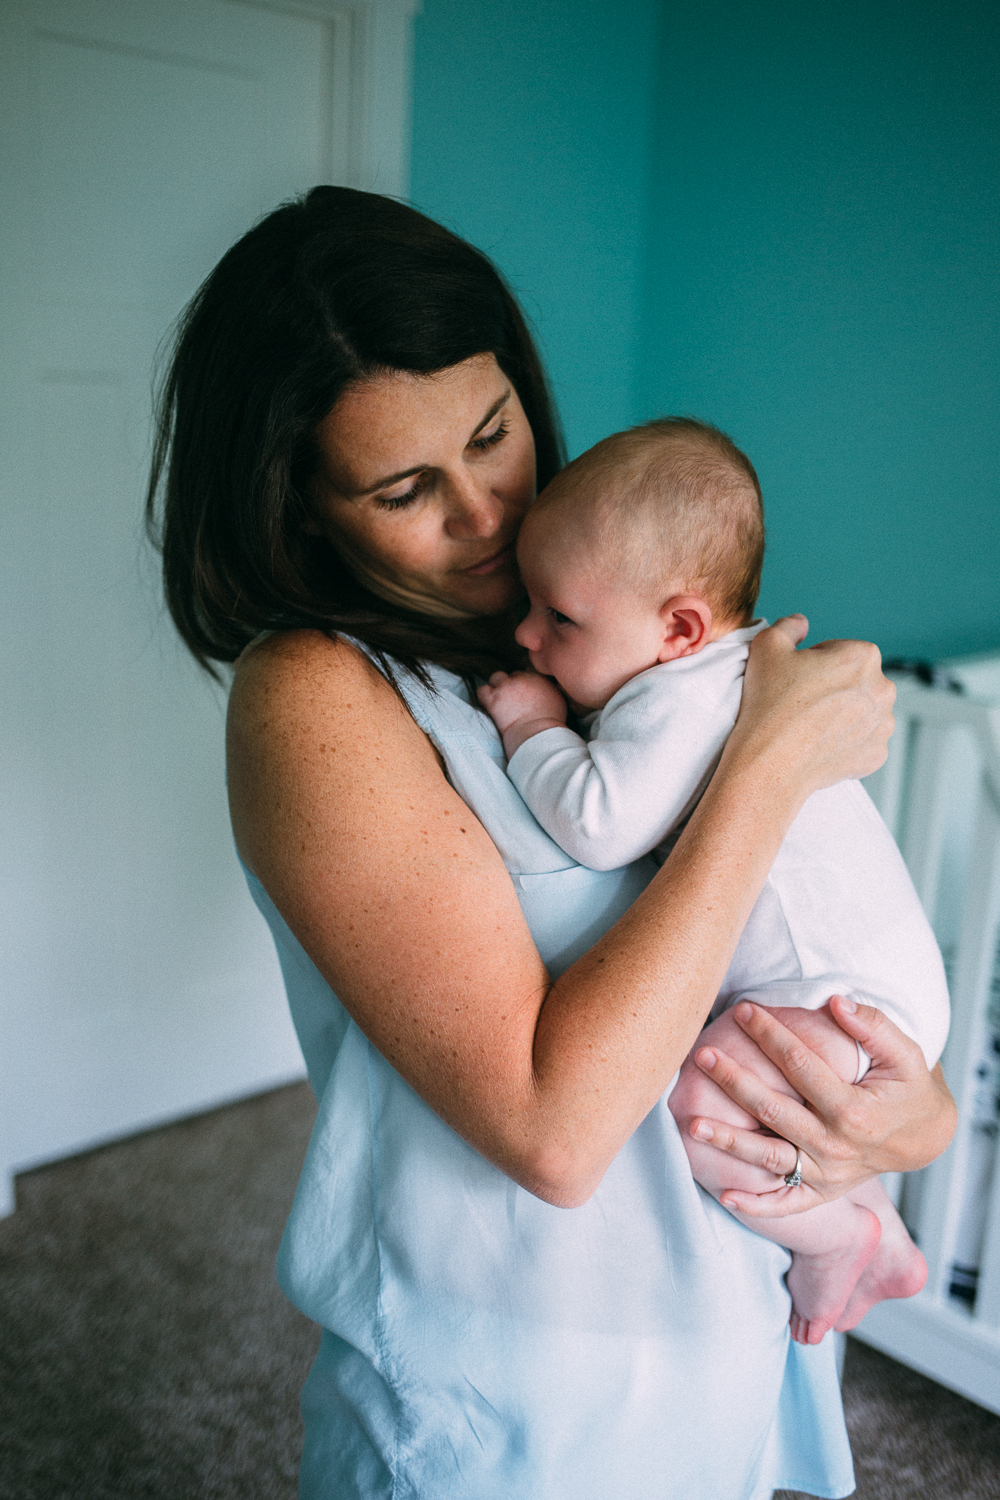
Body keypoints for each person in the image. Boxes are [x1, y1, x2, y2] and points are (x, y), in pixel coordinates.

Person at [147, 186, 956, 1500]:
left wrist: (903, 1122)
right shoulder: (317, 696)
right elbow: (556, 1131)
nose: (485, 515)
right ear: (301, 508)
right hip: (517, 1403)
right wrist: (769, 763)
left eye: (493, 434)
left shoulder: (602, 636)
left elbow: (785, 961)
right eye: (408, 487)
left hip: (733, 1324)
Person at [477, 417, 949, 1348]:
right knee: (771, 1116)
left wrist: (532, 729)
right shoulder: (723, 669)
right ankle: (878, 1225)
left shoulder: (675, 697)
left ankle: (838, 1237)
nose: (527, 634)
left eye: (559, 618)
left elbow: (600, 822)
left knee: (704, 1111)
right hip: (868, 991)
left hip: (835, 997)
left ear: (679, 629)